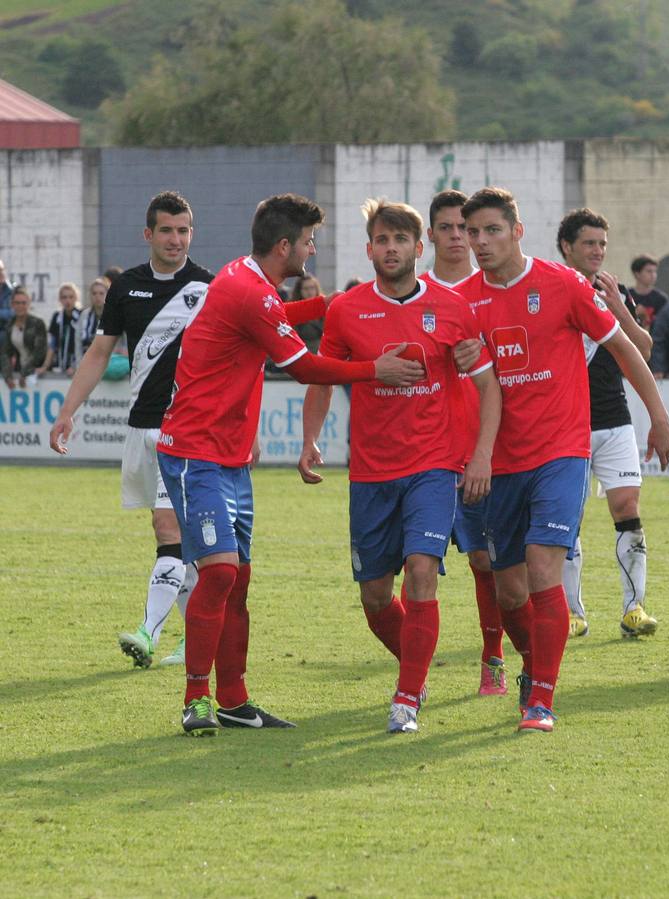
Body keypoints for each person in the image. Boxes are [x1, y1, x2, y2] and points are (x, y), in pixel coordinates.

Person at [156, 192, 424, 736]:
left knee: (238, 581)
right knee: (220, 572)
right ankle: (196, 699)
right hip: (193, 452)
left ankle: (232, 699)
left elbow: (281, 316)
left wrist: (340, 304)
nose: (313, 251)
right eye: (308, 242)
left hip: (230, 456)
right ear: (286, 246)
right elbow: (304, 367)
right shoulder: (247, 291)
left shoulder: (249, 281)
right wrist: (377, 369)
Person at [458, 186, 669, 733]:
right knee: (509, 590)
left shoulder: (563, 285)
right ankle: (536, 664)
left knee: (541, 567)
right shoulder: (464, 300)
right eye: (473, 233)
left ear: (517, 231)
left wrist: (659, 417)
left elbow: (626, 348)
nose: (481, 243)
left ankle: (541, 701)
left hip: (561, 451)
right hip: (499, 460)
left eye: (492, 231)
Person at [298, 198, 501, 734]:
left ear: (419, 246)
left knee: (421, 572)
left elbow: (485, 383)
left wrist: (480, 453)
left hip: (434, 465)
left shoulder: (454, 307)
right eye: (381, 241)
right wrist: (310, 439)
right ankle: (417, 662)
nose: (391, 249)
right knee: (373, 596)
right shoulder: (345, 309)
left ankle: (407, 698)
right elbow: (323, 376)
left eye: (400, 240)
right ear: (369, 249)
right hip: (370, 469)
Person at [49, 192, 215, 670]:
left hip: (184, 431)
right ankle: (197, 639)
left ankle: (147, 632)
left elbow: (231, 361)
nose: (176, 239)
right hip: (140, 428)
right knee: (170, 536)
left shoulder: (207, 287)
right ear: (149, 234)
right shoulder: (126, 289)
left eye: (183, 230)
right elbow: (99, 354)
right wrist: (68, 410)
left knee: (168, 529)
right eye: (167, 230)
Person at [419, 188, 512, 697]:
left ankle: (493, 657)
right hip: (426, 451)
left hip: (482, 448)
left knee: (484, 560)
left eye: (467, 228)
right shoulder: (414, 291)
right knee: (417, 565)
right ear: (430, 235)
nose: (460, 237)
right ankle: (414, 668)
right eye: (449, 228)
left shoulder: (489, 288)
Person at [555, 208, 659, 639]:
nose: (597, 251)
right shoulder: (553, 288)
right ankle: (572, 613)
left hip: (614, 418)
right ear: (567, 247)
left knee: (627, 509)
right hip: (566, 421)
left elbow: (645, 350)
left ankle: (634, 608)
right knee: (566, 519)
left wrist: (619, 306)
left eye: (602, 244)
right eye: (589, 244)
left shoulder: (614, 290)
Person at [2, 286, 48, 388]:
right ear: (12, 305)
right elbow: (6, 353)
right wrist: (7, 376)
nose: (20, 306)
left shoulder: (38, 323)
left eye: (23, 303)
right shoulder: (10, 325)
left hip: (37, 372)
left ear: (29, 304)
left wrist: (25, 373)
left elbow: (39, 352)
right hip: (19, 372)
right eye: (17, 303)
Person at [46, 282, 83, 375]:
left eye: (71, 297)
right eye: (64, 297)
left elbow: (86, 345)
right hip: (60, 365)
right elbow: (52, 345)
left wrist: (76, 366)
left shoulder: (82, 315)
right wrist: (45, 366)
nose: (68, 301)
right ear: (60, 299)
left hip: (78, 366)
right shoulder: (57, 316)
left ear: (76, 298)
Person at [628, 254, 668, 329]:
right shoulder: (626, 296)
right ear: (637, 274)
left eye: (655, 271)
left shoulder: (661, 299)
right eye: (649, 271)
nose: (653, 275)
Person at [80, 277, 109, 354]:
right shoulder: (84, 315)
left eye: (101, 293)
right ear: (90, 295)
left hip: (110, 361)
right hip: (86, 358)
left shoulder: (114, 315)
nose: (97, 296)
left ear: (107, 294)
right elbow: (77, 342)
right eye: (94, 293)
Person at [0, 258, 14, 331]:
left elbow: (15, 312)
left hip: (8, 332)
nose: (1, 273)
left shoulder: (13, 289)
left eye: (2, 270)